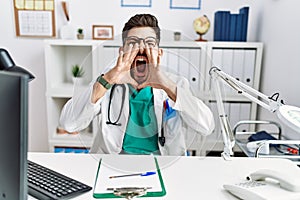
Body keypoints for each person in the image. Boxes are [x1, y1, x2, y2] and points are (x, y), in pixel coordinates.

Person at [59, 14, 215, 156]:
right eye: (133, 43)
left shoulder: (176, 85)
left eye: (149, 43)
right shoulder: (106, 83)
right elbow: (69, 124)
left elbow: (206, 126)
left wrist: (166, 84)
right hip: (113, 163)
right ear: (121, 52)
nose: (141, 49)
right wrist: (108, 79)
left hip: (163, 165)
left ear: (159, 53)